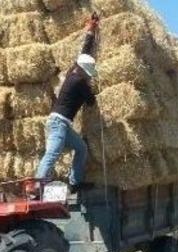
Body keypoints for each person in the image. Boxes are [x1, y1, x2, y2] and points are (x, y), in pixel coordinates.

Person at [34, 15, 100, 193]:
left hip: (63, 123)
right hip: (58, 123)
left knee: (81, 148)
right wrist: (94, 90)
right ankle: (36, 185)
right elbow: (91, 101)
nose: (89, 75)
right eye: (89, 73)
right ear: (83, 71)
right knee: (53, 153)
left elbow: (84, 52)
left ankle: (74, 183)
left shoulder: (74, 71)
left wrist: (90, 30)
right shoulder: (79, 81)